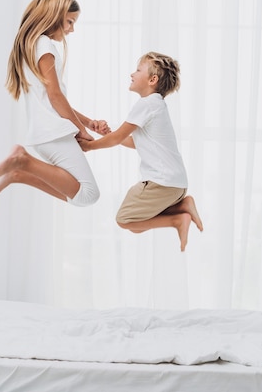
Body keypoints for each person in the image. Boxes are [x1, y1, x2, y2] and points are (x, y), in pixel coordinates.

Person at [0, 0, 110, 205]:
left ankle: (20, 174)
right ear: (54, 15)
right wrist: (81, 130)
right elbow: (55, 95)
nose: (72, 29)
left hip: (43, 133)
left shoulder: (31, 45)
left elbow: (53, 98)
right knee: (89, 194)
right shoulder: (44, 45)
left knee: (79, 195)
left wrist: (88, 123)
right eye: (70, 22)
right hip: (53, 133)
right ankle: (22, 161)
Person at [78, 51, 203, 251]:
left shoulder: (147, 103)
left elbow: (119, 137)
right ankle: (182, 206)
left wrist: (89, 146)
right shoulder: (157, 106)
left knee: (125, 219)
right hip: (175, 184)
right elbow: (135, 142)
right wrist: (107, 134)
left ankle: (177, 220)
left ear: (153, 79)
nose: (132, 74)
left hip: (161, 182)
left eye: (138, 70)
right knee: (132, 220)